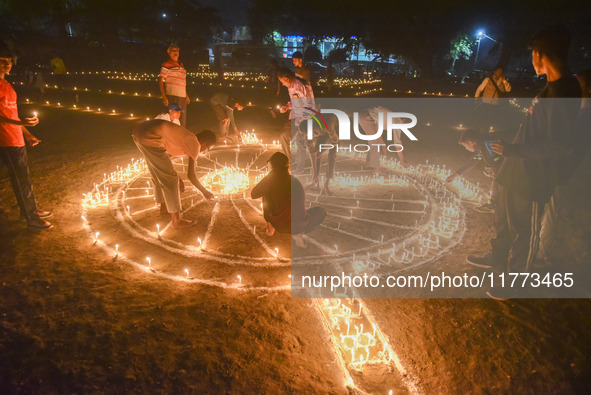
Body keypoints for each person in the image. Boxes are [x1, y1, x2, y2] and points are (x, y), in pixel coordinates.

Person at [467, 25, 581, 294]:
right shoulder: (551, 88)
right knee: (503, 223)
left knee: (523, 231)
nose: (532, 60)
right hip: (514, 169)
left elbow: (557, 144)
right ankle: (497, 261)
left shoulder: (565, 91)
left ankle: (516, 282)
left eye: (533, 54)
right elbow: (532, 129)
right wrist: (503, 144)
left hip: (533, 176)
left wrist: (512, 150)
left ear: (540, 55)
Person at [538, 69, 591, 261]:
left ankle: (541, 254)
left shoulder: (585, 113)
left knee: (550, 212)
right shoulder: (577, 108)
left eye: (579, 83)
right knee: (544, 210)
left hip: (562, 171)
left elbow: (575, 145)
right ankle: (537, 249)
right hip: (554, 167)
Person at [0, 46, 52, 229]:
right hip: (5, 141)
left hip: (16, 139)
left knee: (24, 177)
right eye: (2, 60)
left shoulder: (7, 85)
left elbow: (12, 115)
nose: (7, 64)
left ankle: (30, 209)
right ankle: (31, 217)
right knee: (20, 178)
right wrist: (21, 125)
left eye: (9, 60)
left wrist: (28, 133)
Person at [132, 120, 216, 229]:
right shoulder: (195, 144)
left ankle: (164, 207)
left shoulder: (186, 138)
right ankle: (176, 220)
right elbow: (191, 175)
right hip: (150, 137)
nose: (205, 151)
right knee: (171, 180)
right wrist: (205, 192)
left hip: (140, 132)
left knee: (157, 173)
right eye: (207, 148)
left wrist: (175, 175)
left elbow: (166, 158)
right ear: (203, 140)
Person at [251, 152, 326, 248]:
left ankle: (270, 229)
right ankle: (298, 233)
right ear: (288, 167)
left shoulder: (272, 179)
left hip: (280, 226)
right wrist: (310, 186)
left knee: (266, 193)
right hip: (300, 225)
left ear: (272, 166)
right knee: (321, 211)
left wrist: (269, 177)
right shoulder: (294, 180)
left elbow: (254, 194)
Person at [446, 129, 502, 214]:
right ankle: (494, 204)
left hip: (510, 164)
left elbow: (491, 161)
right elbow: (471, 162)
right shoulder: (480, 147)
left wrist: (489, 170)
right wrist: (454, 175)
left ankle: (494, 205)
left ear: (471, 142)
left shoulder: (485, 144)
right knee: (497, 180)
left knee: (499, 181)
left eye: (465, 146)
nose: (466, 149)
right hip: (502, 166)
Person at [277, 68, 317, 174]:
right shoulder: (291, 86)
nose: (283, 84)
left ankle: (300, 167)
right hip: (294, 117)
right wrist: (287, 106)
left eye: (283, 81)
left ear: (287, 78)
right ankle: (288, 162)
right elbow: (294, 101)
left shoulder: (299, 86)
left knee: (301, 142)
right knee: (283, 135)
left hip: (304, 119)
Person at [358, 106, 409, 175]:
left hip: (363, 115)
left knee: (374, 141)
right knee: (374, 143)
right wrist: (402, 161)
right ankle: (376, 169)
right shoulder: (397, 122)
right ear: (404, 121)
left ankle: (368, 164)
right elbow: (398, 145)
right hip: (368, 116)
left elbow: (377, 130)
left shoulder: (391, 117)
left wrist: (383, 145)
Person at [159, 44, 189, 127]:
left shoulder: (181, 65)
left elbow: (182, 82)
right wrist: (164, 96)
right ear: (168, 52)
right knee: (173, 118)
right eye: (173, 50)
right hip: (172, 95)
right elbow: (161, 81)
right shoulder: (166, 65)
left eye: (177, 51)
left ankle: (181, 136)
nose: (175, 52)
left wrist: (186, 95)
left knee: (182, 118)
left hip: (182, 96)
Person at [474, 66, 512, 132]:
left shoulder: (503, 81)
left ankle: (485, 134)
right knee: (481, 119)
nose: (500, 73)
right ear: (495, 71)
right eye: (499, 71)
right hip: (485, 103)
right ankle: (476, 132)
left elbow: (508, 89)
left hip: (495, 104)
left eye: (501, 72)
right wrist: (476, 99)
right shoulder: (488, 80)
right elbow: (479, 89)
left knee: (489, 120)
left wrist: (504, 80)